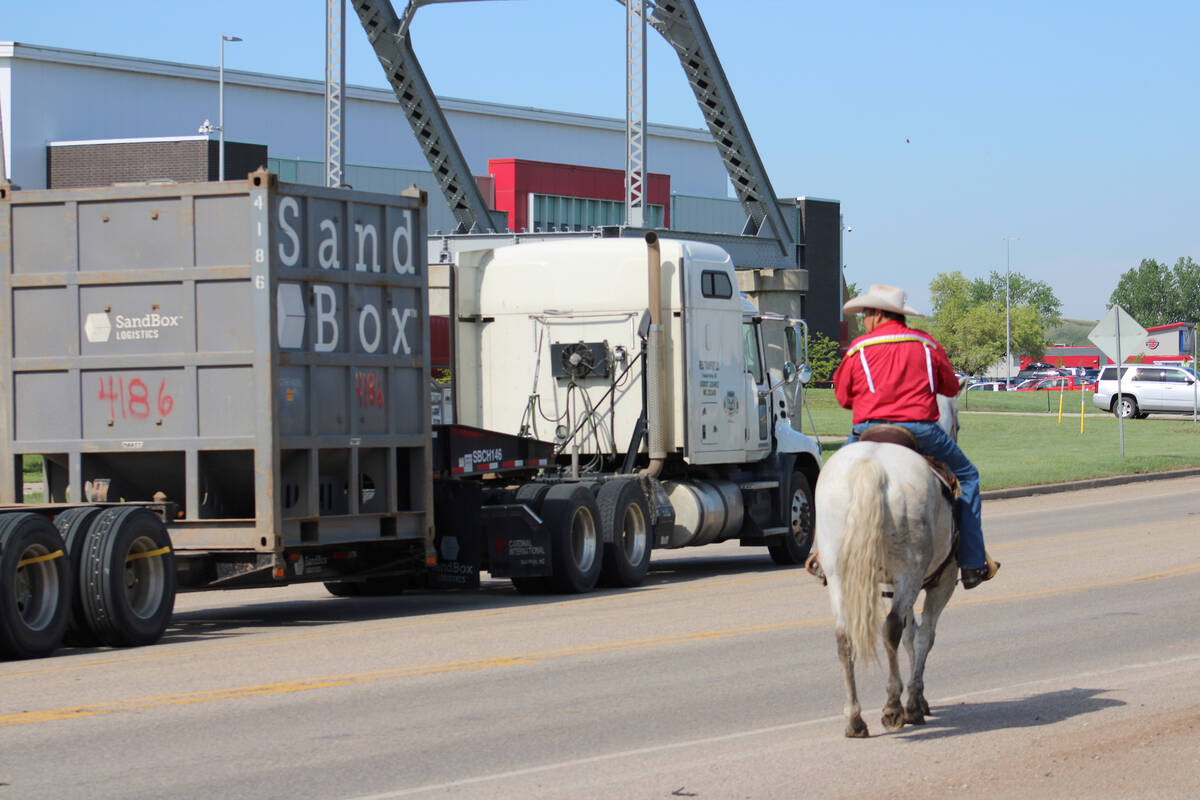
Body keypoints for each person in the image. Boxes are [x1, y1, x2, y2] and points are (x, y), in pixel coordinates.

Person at [832, 284, 999, 589]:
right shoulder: (926, 345)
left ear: (881, 314)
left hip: (866, 431)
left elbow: (843, 398)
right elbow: (949, 388)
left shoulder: (858, 348)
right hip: (919, 430)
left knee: (830, 480)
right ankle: (973, 562)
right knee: (969, 476)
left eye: (868, 313)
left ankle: (822, 554)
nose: (865, 319)